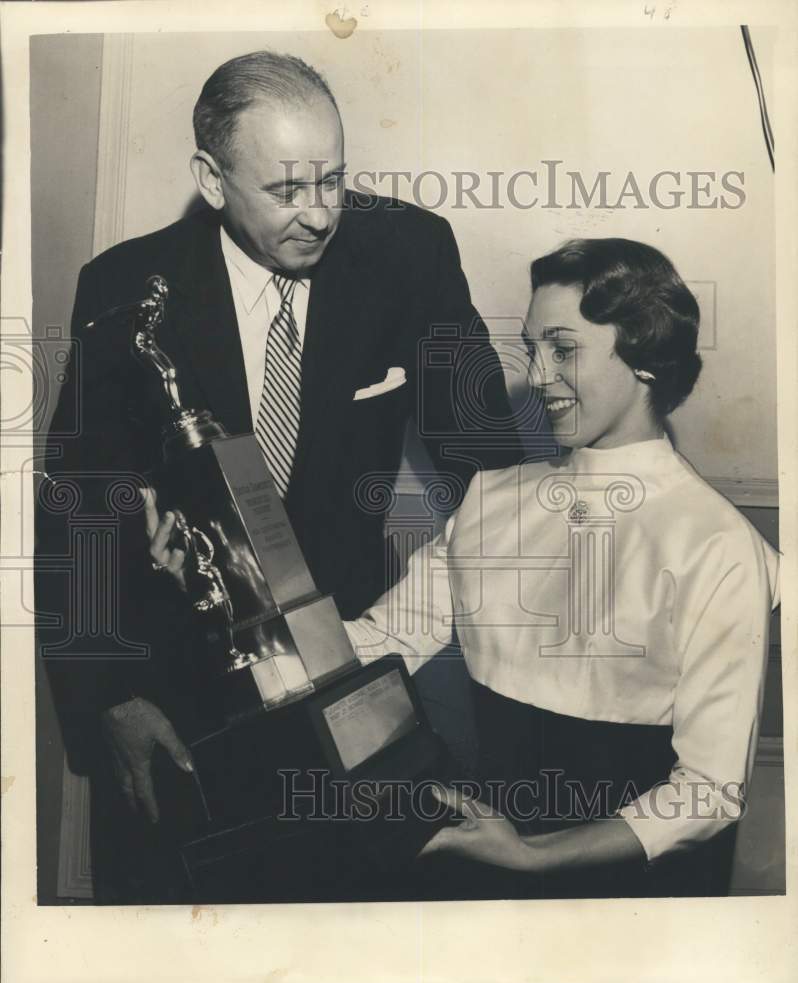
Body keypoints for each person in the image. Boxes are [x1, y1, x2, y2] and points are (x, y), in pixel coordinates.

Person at [41, 49, 520, 901]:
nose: (320, 214)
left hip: (349, 692)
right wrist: (108, 699)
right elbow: (77, 503)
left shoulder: (407, 254)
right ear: (212, 179)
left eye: (332, 181)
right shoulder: (122, 288)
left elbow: (493, 468)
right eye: (286, 191)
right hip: (177, 706)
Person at [339, 237, 781, 898]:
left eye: (564, 348)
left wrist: (538, 856)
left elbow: (710, 792)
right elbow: (376, 643)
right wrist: (235, 601)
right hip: (487, 858)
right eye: (533, 347)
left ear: (646, 359)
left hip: (639, 896)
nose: (538, 375)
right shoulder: (492, 498)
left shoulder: (718, 547)